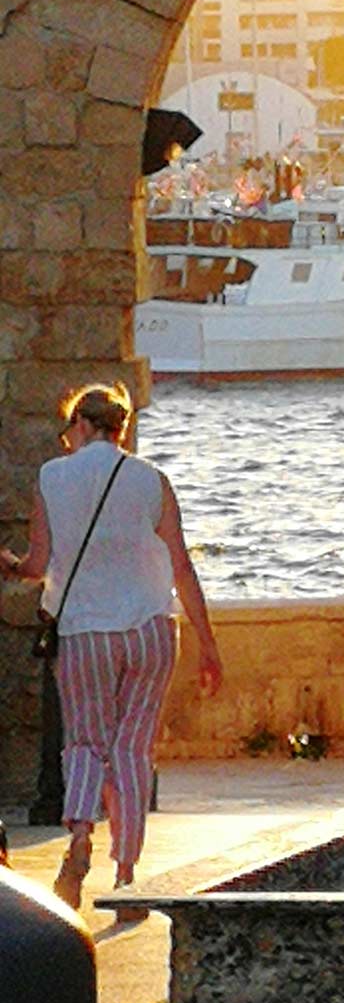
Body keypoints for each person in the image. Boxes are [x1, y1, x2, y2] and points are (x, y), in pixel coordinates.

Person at [0, 382, 222, 919]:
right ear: (122, 427)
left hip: (85, 631)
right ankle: (125, 875)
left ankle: (79, 839)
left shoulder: (53, 477)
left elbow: (38, 565)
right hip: (150, 629)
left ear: (78, 424)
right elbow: (181, 566)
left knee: (84, 742)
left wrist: (10, 564)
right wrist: (208, 644)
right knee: (132, 748)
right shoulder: (152, 479)